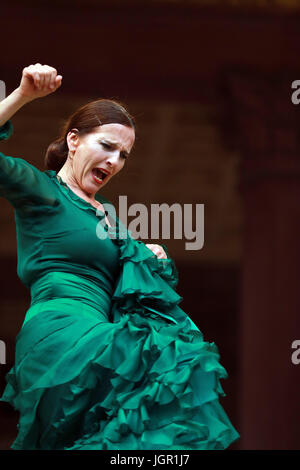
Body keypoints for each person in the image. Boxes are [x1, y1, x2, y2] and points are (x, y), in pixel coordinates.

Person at [0, 63, 240, 450]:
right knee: (168, 361)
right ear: (74, 140)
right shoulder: (42, 191)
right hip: (61, 333)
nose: (114, 162)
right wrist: (23, 96)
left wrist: (147, 256)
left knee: (127, 436)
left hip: (101, 334)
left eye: (123, 155)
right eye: (107, 147)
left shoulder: (108, 214)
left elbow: (128, 290)